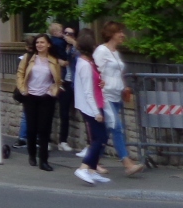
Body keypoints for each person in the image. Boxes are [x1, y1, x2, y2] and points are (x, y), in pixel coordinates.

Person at [94, 22, 145, 177]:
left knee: (107, 130)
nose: (123, 35)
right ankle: (127, 163)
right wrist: (99, 88)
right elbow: (95, 72)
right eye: (119, 32)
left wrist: (124, 87)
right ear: (111, 34)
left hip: (116, 95)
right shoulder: (101, 51)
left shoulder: (115, 52)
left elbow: (118, 73)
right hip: (106, 95)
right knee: (117, 127)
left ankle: (93, 161)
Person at [17, 33, 61, 171]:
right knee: (32, 128)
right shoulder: (28, 58)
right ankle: (31, 154)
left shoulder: (53, 60)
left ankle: (44, 160)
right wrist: (23, 89)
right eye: (37, 42)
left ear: (48, 44)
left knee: (44, 129)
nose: (39, 45)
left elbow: (58, 79)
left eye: (42, 42)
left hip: (46, 97)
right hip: (30, 96)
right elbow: (20, 74)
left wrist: (54, 90)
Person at [73, 28, 111, 185]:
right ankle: (84, 167)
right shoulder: (85, 65)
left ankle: (92, 170)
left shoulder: (88, 63)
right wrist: (96, 112)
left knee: (98, 137)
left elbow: (92, 84)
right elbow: (87, 91)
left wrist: (100, 83)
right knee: (100, 137)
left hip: (95, 103)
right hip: (91, 106)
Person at [49, 22, 76, 152]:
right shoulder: (57, 45)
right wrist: (58, 61)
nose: (66, 35)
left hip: (68, 82)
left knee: (64, 113)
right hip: (56, 81)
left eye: (70, 34)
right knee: (49, 111)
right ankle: (46, 140)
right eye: (64, 33)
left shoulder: (73, 48)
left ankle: (63, 141)